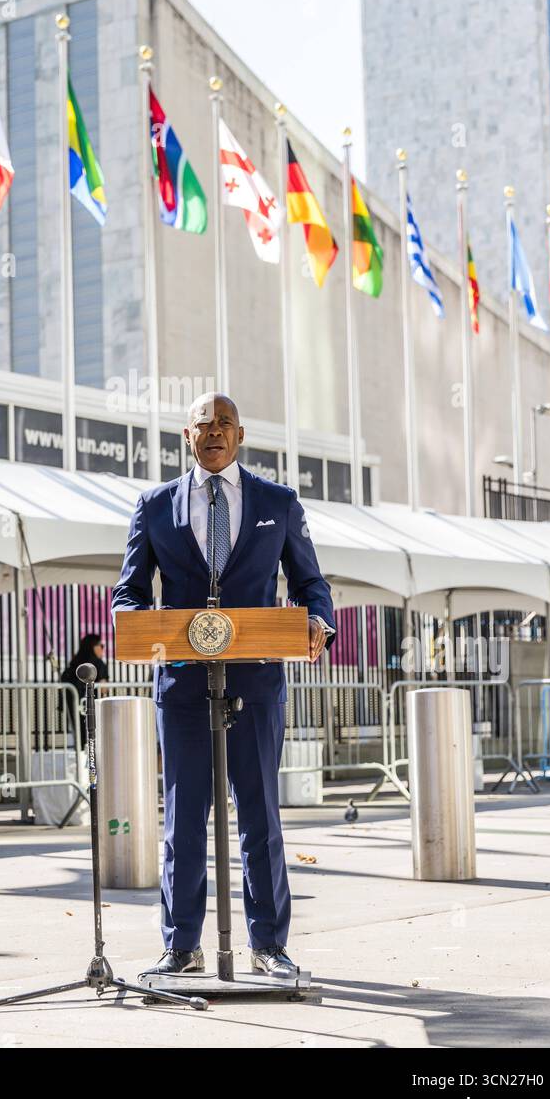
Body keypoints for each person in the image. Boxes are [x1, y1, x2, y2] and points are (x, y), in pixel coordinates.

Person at [112, 392, 335, 978]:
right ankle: (180, 946)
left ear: (241, 436)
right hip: (182, 685)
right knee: (183, 816)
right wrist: (134, 622)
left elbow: (312, 583)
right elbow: (130, 591)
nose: (214, 432)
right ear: (186, 436)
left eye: (225, 424)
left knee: (259, 811)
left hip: (257, 681)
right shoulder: (154, 505)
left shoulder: (278, 503)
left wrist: (318, 619)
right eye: (202, 424)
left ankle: (269, 946)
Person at [60, 633, 107, 747]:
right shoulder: (97, 663)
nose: (102, 649)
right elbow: (103, 689)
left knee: (79, 735)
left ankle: (81, 757)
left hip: (72, 704)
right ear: (94, 647)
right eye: (101, 646)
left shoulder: (75, 662)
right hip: (90, 705)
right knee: (92, 737)